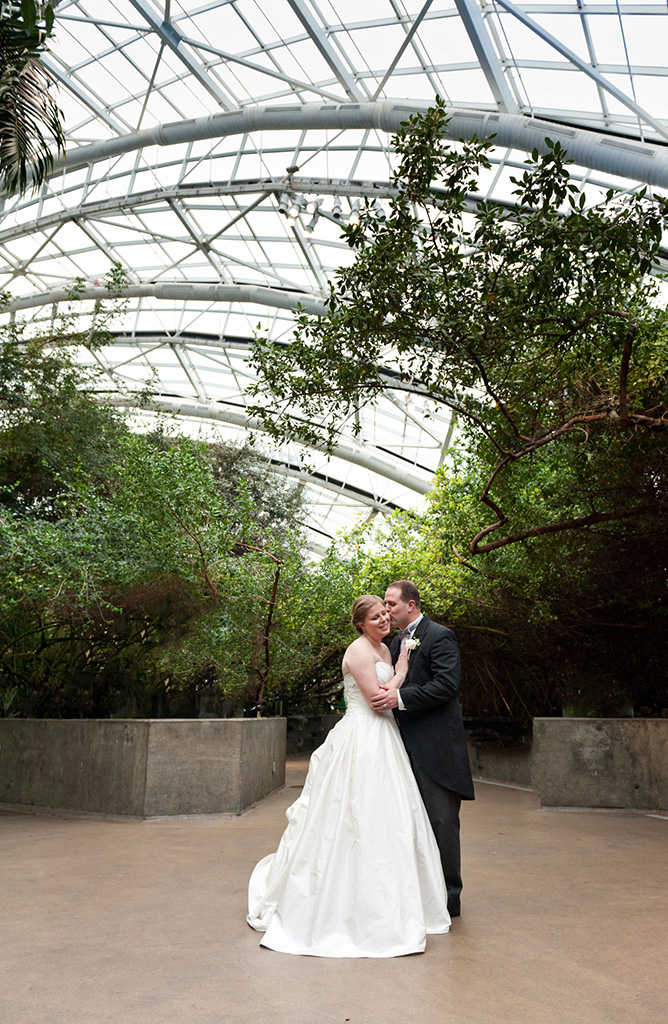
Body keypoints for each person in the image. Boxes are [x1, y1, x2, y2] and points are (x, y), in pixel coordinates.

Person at [246, 595, 451, 957]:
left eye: (385, 614)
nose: (384, 620)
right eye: (375, 618)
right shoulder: (358, 651)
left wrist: (399, 664)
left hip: (387, 738)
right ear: (361, 624)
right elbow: (376, 698)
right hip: (361, 737)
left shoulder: (386, 649)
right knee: (352, 813)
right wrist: (402, 671)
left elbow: (392, 692)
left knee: (391, 819)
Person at [370, 580, 474, 918]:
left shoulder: (440, 635)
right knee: (409, 824)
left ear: (411, 605)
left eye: (391, 604)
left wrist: (399, 698)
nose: (386, 610)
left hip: (436, 749)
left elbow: (446, 685)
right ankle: (418, 895)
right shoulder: (391, 644)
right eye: (384, 605)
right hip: (401, 748)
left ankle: (448, 900)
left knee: (442, 823)